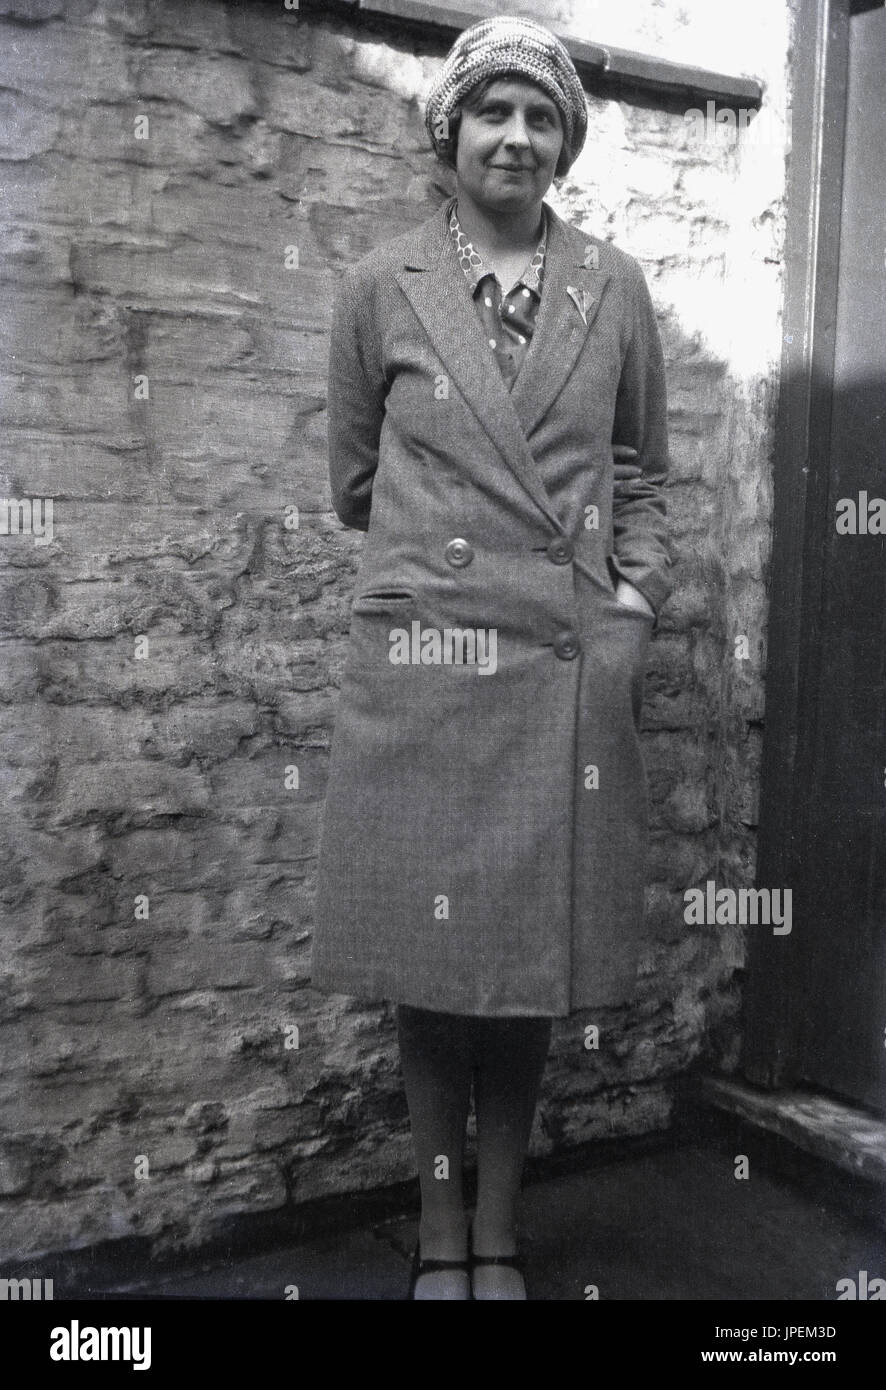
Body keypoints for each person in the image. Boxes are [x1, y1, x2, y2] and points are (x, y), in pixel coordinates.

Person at [311, 15, 673, 1299]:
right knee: (429, 966)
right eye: (493, 114)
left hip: (558, 665)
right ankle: (439, 1232)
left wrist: (630, 602)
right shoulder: (380, 287)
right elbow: (357, 481)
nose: (514, 138)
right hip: (423, 663)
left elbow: (640, 470)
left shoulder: (614, 287)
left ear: (563, 141)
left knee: (523, 971)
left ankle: (502, 1236)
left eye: (539, 119)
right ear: (449, 132)